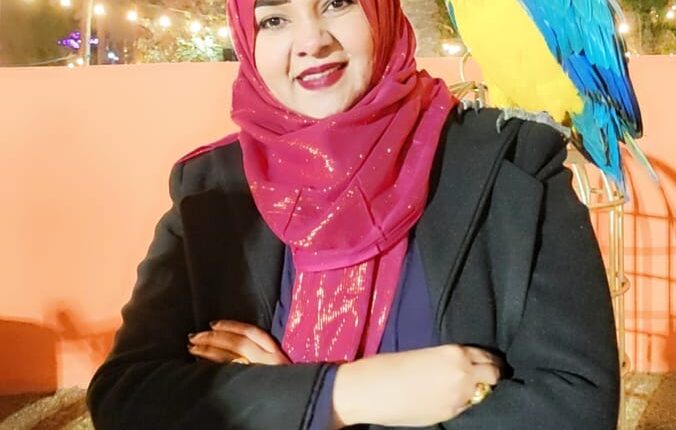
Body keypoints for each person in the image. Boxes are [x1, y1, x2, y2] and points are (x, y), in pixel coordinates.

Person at [86, 0, 621, 429]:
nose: (312, 41)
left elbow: (577, 407)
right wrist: (349, 394)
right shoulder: (210, 190)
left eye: (337, 3)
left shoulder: (513, 168)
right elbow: (126, 399)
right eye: (273, 19)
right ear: (248, 40)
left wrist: (279, 402)